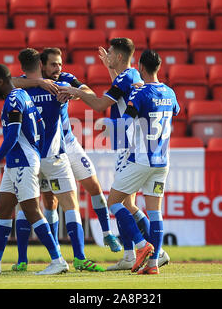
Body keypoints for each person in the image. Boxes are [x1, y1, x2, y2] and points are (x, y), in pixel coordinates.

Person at [58, 38, 170, 270]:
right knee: (129, 204)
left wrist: (73, 90)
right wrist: (110, 68)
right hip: (132, 145)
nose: (106, 55)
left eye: (110, 53)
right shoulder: (129, 77)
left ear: (119, 56)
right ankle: (145, 253)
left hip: (130, 146)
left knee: (120, 202)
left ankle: (140, 251)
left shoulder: (128, 76)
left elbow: (100, 105)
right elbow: (118, 95)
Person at [0, 64, 69, 275]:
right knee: (3, 209)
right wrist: (37, 150)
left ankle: (58, 260)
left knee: (32, 210)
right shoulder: (23, 95)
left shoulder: (13, 100)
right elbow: (41, 125)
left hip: (22, 162)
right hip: (16, 163)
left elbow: (12, 136)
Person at [12, 48, 106, 272]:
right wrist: (46, 85)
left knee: (30, 206)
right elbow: (12, 81)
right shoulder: (44, 86)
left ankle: (29, 259)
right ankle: (74, 258)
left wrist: (75, 92)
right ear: (42, 66)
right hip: (50, 157)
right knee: (57, 205)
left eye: (60, 64)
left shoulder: (55, 83)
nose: (58, 69)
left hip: (38, 158)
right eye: (53, 65)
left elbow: (10, 82)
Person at [106, 49, 179, 275]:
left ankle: (140, 245)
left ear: (141, 67)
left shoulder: (139, 94)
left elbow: (125, 122)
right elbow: (174, 110)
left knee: (114, 202)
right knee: (155, 212)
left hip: (141, 159)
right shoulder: (170, 92)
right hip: (162, 162)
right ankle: (153, 263)